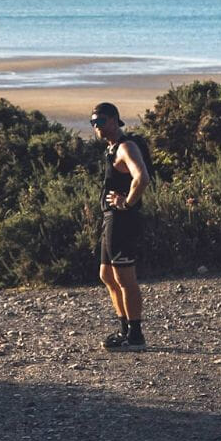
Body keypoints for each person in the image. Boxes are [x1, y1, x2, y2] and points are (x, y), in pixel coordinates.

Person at [91, 101, 151, 351]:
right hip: (111, 219)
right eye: (93, 123)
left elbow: (142, 177)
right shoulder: (112, 148)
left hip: (122, 220)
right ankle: (124, 329)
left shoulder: (126, 147)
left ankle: (135, 336)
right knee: (106, 275)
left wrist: (126, 203)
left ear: (115, 121)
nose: (97, 127)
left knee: (124, 277)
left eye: (101, 121)